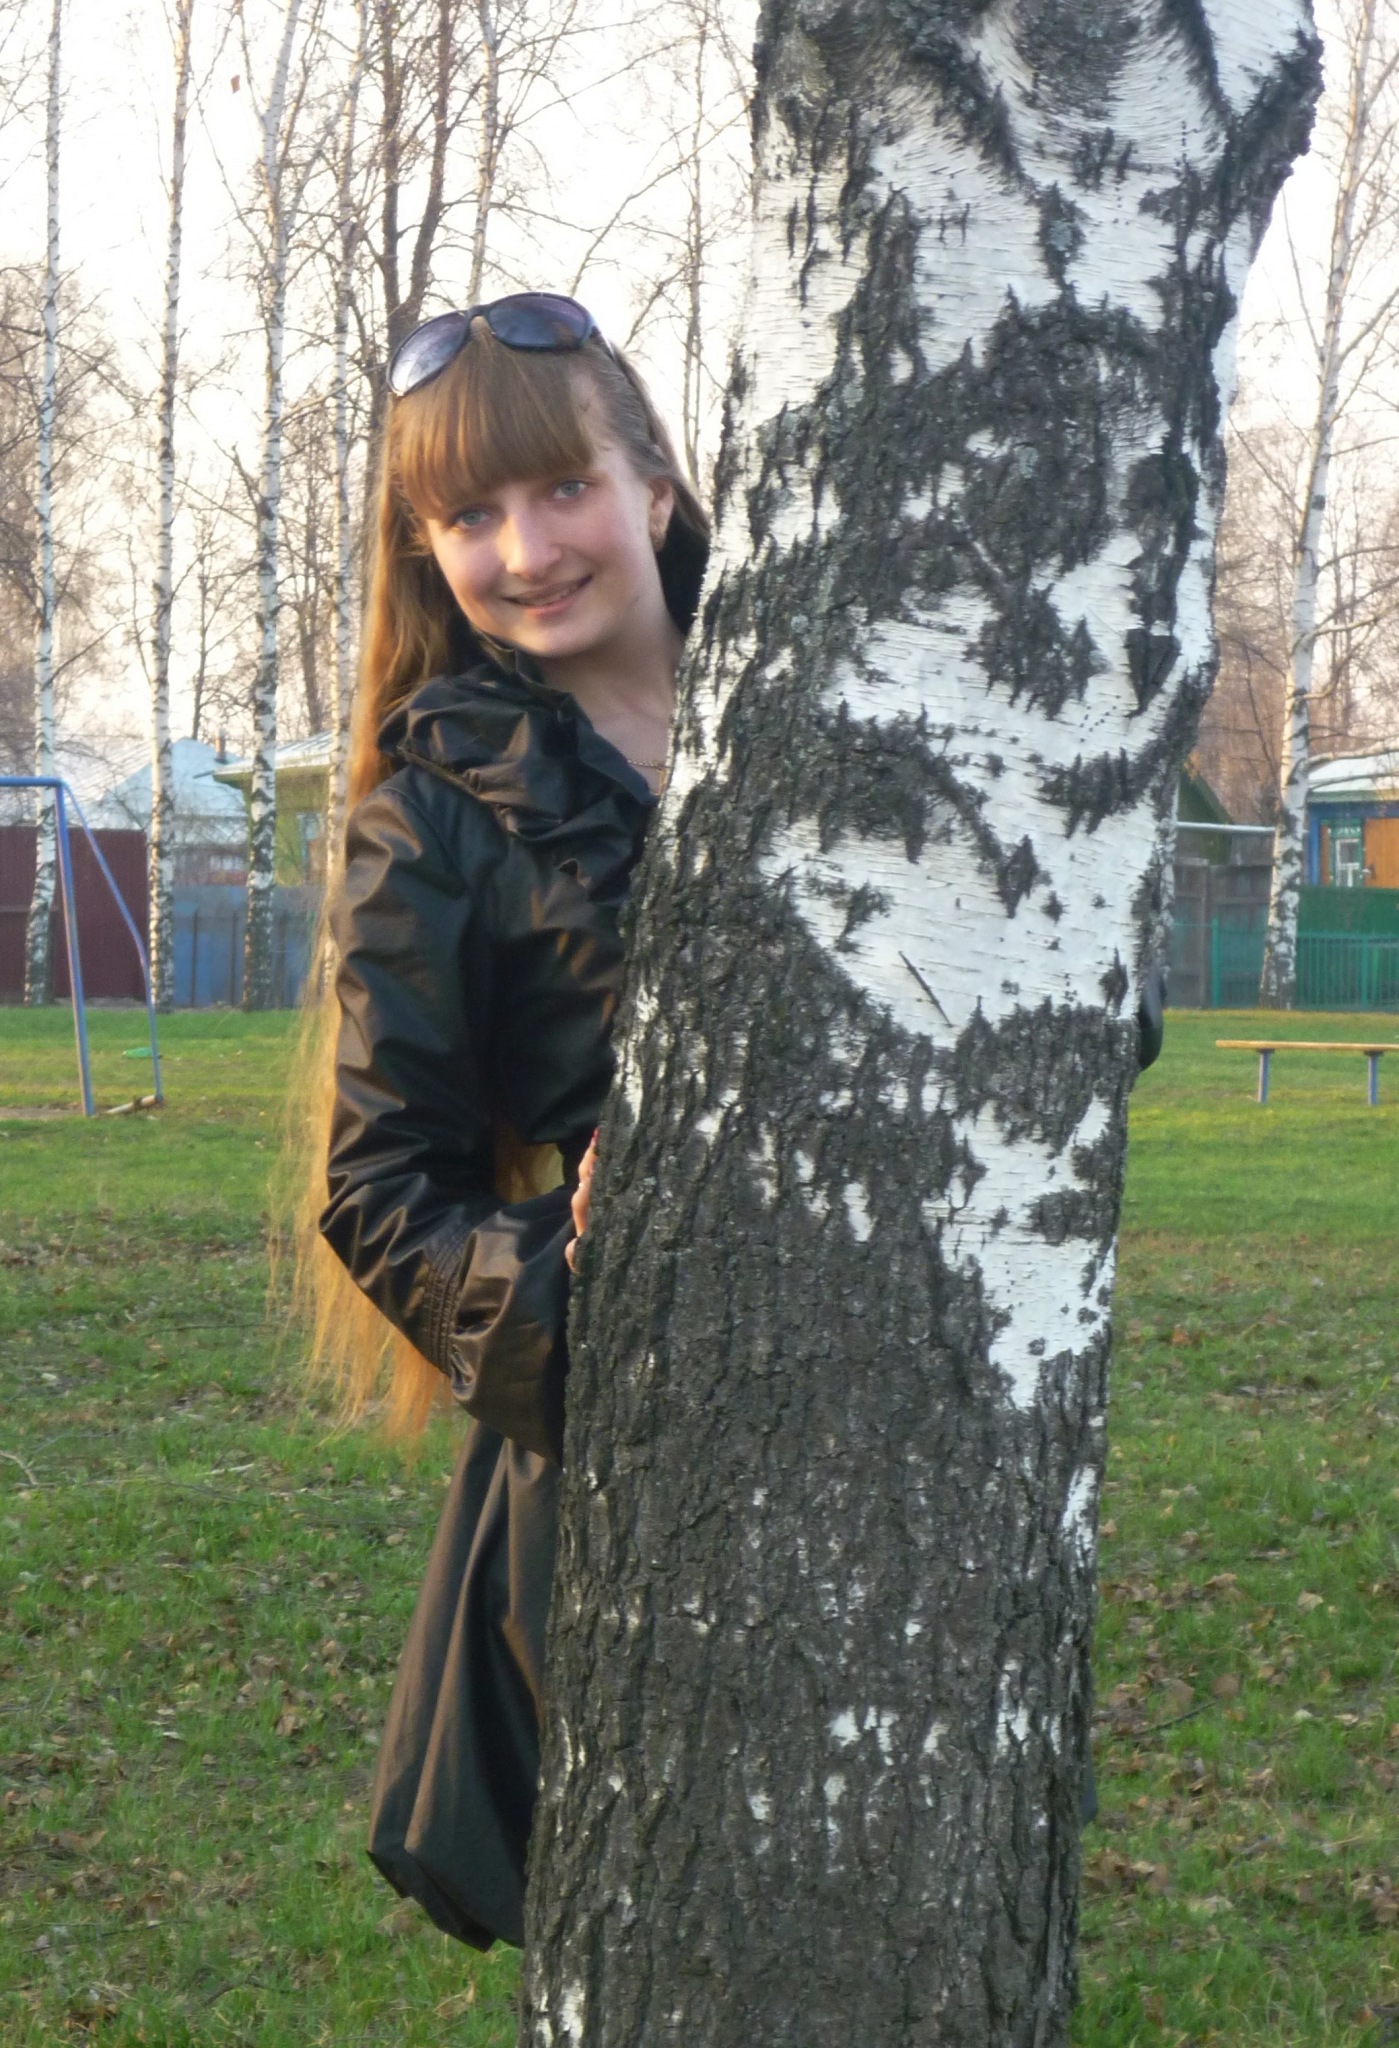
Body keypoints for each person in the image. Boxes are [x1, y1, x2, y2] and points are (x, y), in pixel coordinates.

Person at [304, 293, 709, 1951]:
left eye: (562, 488)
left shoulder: (848, 693)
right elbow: (379, 1189)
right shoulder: (431, 819)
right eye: (468, 514)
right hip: (645, 1436)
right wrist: (586, 1300)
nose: (525, 550)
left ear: (655, 483)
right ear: (426, 546)